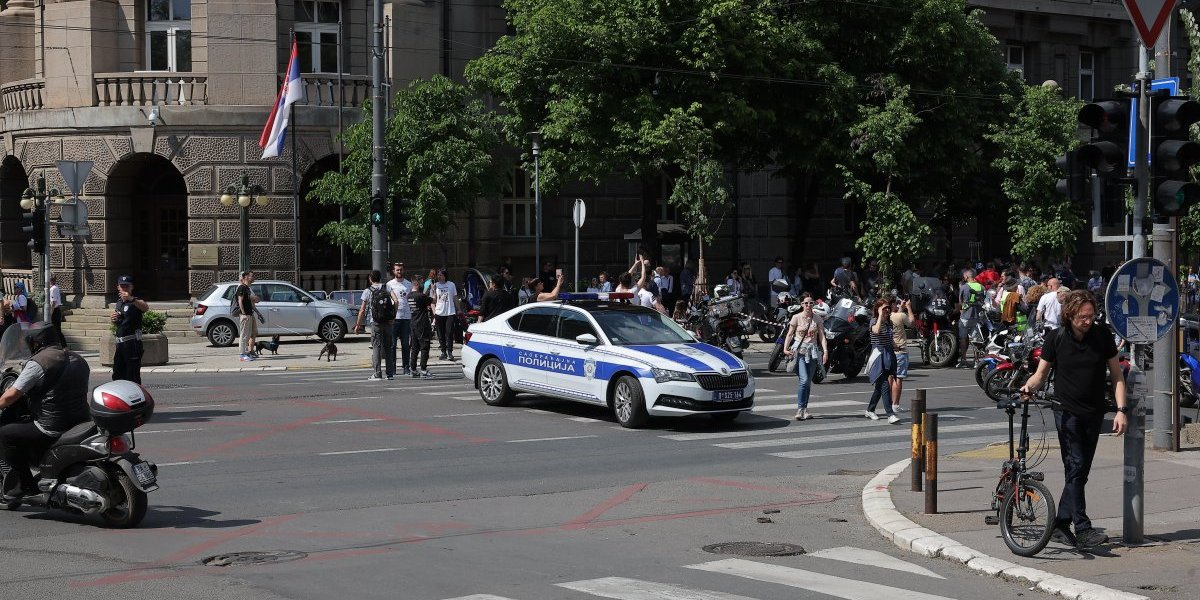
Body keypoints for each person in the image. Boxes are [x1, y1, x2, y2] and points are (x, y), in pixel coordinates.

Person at [1020, 290, 1127, 548]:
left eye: (1091, 316)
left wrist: (1121, 410)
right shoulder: (1056, 338)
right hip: (1065, 412)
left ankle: (1059, 524)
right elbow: (1041, 374)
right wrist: (1028, 388)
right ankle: (1083, 528)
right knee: (1077, 467)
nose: (1088, 321)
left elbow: (1117, 377)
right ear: (1070, 315)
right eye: (1083, 317)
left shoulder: (1102, 336)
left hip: (1094, 412)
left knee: (1079, 472)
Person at [0, 325, 91, 500]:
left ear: (36, 342)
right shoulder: (78, 359)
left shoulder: (39, 363)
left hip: (51, 427)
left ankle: (24, 485)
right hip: (81, 422)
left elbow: (11, 395)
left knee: (4, 434)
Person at [783, 292, 827, 421]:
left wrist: (825, 351)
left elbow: (821, 336)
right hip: (800, 353)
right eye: (806, 303)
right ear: (802, 304)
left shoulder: (817, 318)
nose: (808, 305)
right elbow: (790, 334)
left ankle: (805, 409)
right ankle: (800, 408)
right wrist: (785, 348)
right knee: (803, 380)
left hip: (812, 353)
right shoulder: (796, 317)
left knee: (808, 381)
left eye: (811, 303)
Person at [354, 270, 396, 381]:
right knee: (388, 347)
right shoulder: (386, 287)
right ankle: (390, 374)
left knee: (376, 347)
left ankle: (377, 373)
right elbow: (396, 301)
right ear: (380, 278)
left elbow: (362, 310)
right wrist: (393, 317)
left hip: (375, 322)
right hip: (387, 321)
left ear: (370, 279)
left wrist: (358, 325)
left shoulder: (368, 291)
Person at [865, 298, 900, 424]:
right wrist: (879, 315)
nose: (886, 310)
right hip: (878, 354)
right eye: (884, 308)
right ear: (878, 309)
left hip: (888, 354)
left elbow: (889, 338)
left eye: (887, 308)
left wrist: (897, 346)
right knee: (885, 384)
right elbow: (876, 331)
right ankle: (890, 414)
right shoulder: (874, 320)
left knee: (880, 386)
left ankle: (870, 409)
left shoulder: (888, 323)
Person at [110, 275, 149, 383]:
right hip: (120, 344)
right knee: (117, 374)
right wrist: (114, 319)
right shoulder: (119, 303)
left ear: (132, 287)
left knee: (132, 375)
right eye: (122, 286)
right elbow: (122, 322)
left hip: (132, 343)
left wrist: (131, 299)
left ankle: (136, 398)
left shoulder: (135, 301)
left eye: (127, 286)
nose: (124, 289)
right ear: (118, 287)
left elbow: (145, 307)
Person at [387, 262, 414, 376]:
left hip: (406, 317)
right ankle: (392, 368)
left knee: (405, 344)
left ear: (404, 270)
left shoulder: (409, 284)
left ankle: (406, 367)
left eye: (401, 270)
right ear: (394, 271)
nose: (399, 272)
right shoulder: (389, 285)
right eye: (397, 270)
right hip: (394, 318)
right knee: (392, 344)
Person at [956, 268, 984, 368]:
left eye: (964, 276)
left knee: (963, 339)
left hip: (965, 316)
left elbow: (960, 301)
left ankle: (964, 360)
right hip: (976, 317)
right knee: (976, 340)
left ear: (967, 276)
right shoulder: (981, 287)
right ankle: (976, 361)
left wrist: (960, 310)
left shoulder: (964, 287)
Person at [890, 298, 913, 413]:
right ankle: (895, 404)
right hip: (900, 350)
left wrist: (900, 308)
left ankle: (889, 403)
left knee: (889, 377)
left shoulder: (886, 317)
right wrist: (908, 307)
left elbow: (896, 316)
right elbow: (911, 323)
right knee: (898, 378)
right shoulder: (901, 316)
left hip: (889, 350)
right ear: (892, 304)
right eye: (895, 303)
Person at [235, 271, 264, 362]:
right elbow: (240, 301)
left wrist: (257, 312)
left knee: (247, 335)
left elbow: (252, 302)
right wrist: (243, 314)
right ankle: (242, 355)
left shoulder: (247, 288)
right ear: (246, 277)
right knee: (244, 335)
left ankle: (246, 353)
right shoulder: (241, 287)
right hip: (245, 315)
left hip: (249, 314)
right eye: (250, 276)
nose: (253, 277)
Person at [432, 270, 459, 361]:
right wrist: (434, 312)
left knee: (449, 332)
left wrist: (458, 309)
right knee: (440, 333)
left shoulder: (451, 285)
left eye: (441, 275)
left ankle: (449, 351)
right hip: (439, 312)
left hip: (449, 312)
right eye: (438, 275)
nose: (439, 277)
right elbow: (433, 300)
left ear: (445, 276)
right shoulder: (436, 285)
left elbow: (455, 297)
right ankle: (443, 351)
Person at [408, 284, 434, 378]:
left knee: (414, 347)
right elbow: (433, 300)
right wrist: (433, 291)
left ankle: (413, 369)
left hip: (413, 323)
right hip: (422, 324)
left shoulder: (409, 295)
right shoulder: (421, 296)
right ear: (418, 284)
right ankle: (423, 369)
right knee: (424, 346)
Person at [48, 274, 65, 346]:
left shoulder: (53, 289)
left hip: (55, 310)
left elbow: (53, 302)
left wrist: (51, 312)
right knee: (57, 330)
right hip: (57, 310)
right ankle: (61, 345)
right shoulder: (56, 287)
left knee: (56, 330)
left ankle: (63, 345)